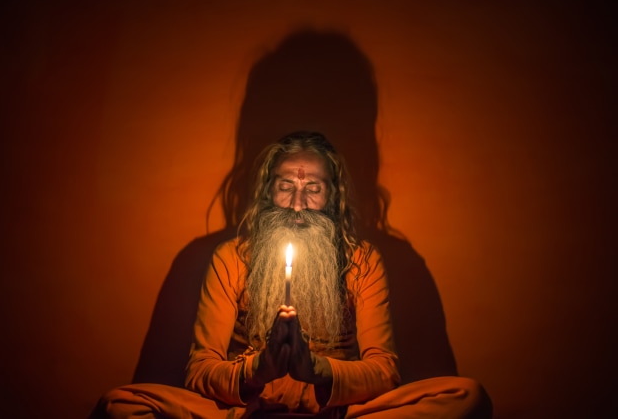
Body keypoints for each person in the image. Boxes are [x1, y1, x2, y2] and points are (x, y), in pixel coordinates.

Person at [91, 131, 492, 418]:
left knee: (464, 396)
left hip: (335, 409)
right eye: (286, 186)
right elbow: (201, 369)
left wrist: (314, 369)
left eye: (313, 189)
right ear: (268, 192)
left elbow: (384, 370)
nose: (298, 204)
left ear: (332, 197)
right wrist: (259, 370)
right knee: (121, 406)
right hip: (247, 408)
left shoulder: (362, 261)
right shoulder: (231, 257)